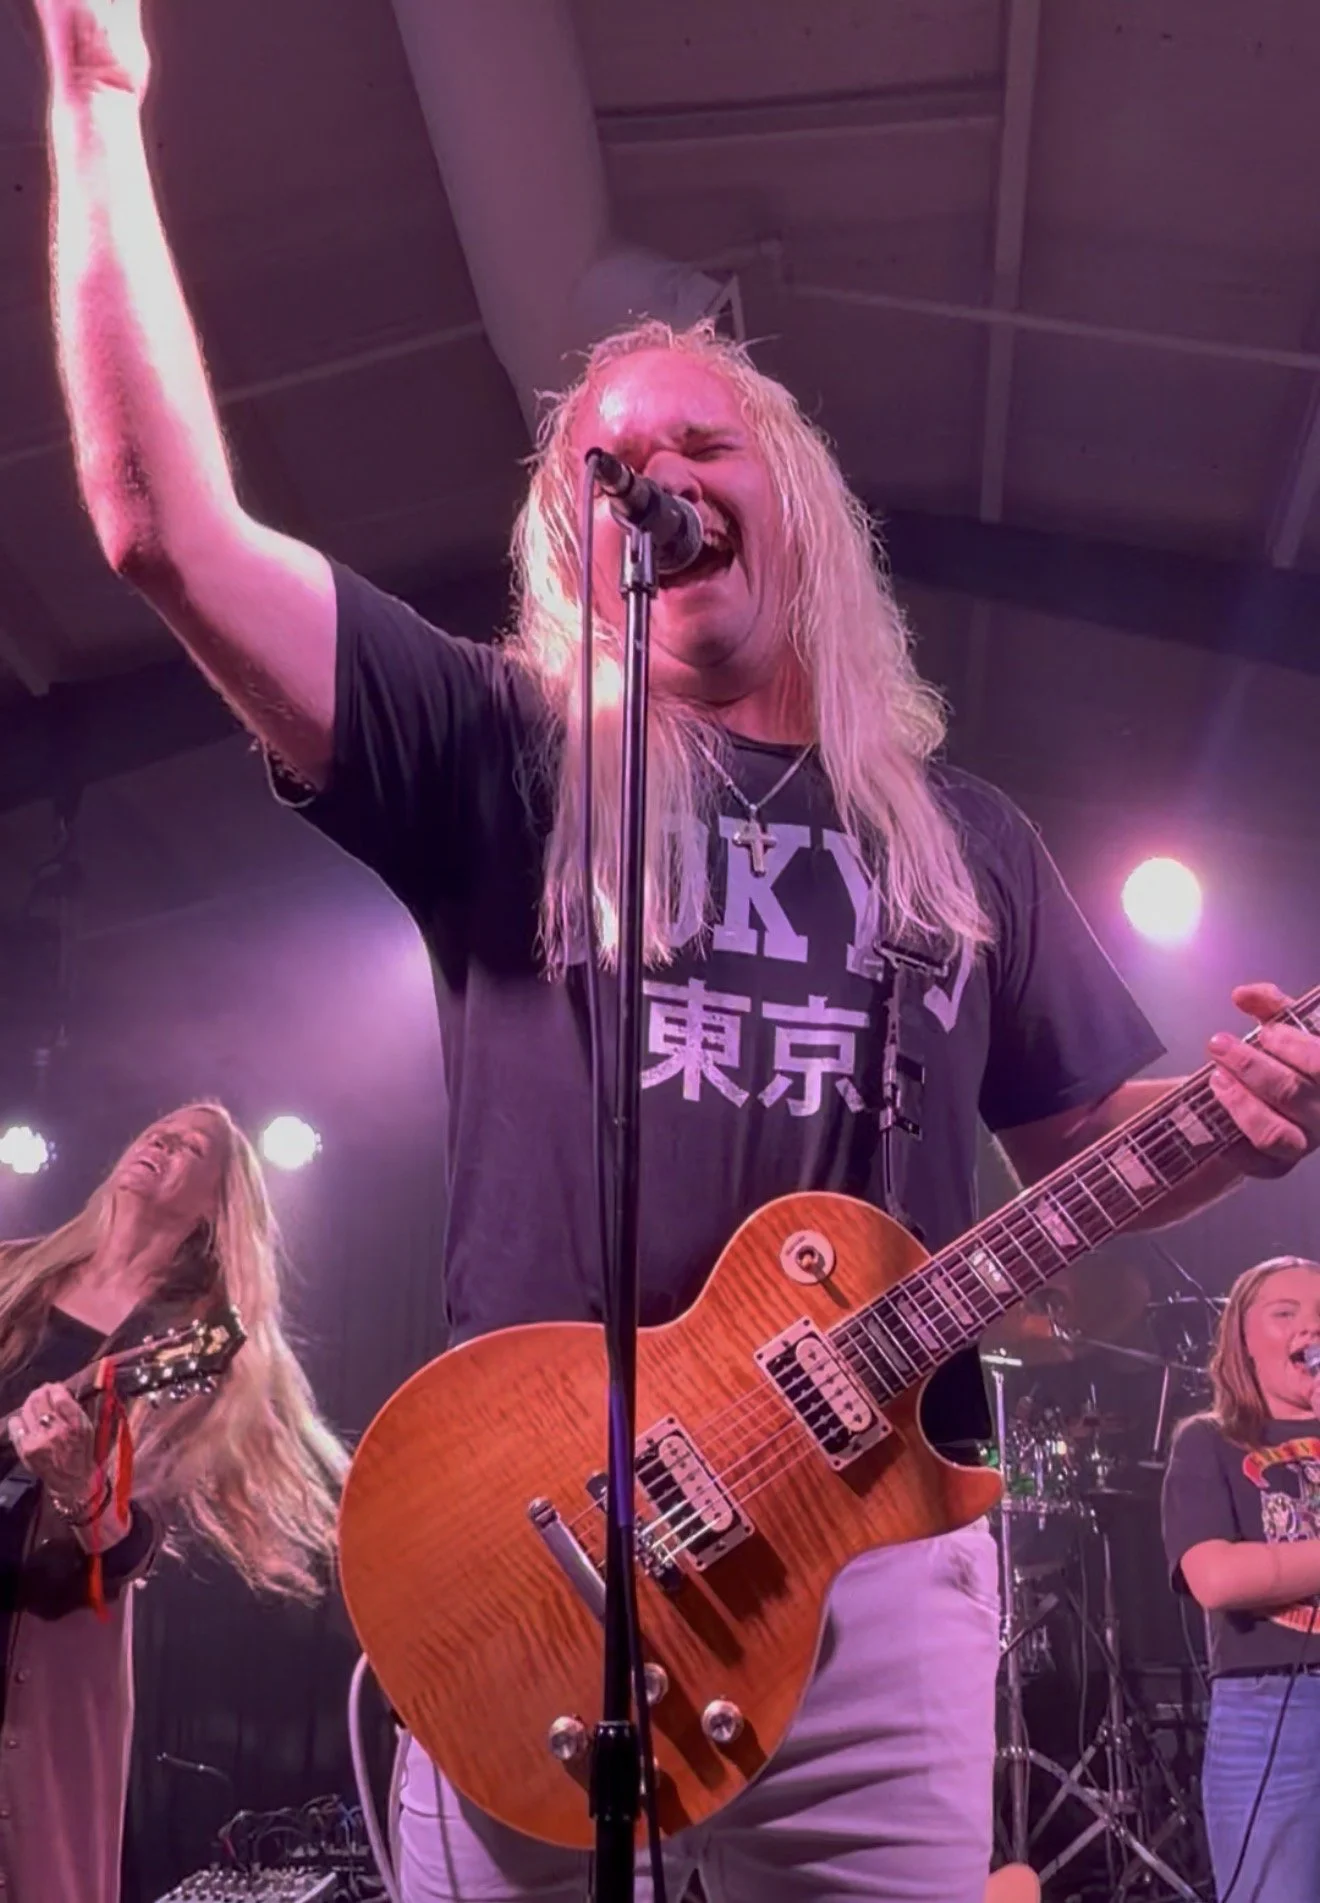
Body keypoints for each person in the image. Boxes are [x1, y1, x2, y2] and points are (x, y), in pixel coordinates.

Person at [30, 3, 1320, 1896]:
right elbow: (164, 528)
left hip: (878, 1555)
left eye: (699, 440)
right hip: (530, 1539)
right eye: (600, 461)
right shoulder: (504, 756)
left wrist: (1234, 1114)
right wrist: (97, 97)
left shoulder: (967, 847)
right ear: (574, 538)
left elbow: (1079, 1154)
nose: (646, 471)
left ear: (792, 498)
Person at [0, 1102, 347, 1903]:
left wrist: (78, 1481)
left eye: (193, 1145)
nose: (160, 1137)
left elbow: (131, 1544)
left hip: (41, 1649)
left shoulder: (180, 1344)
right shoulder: (15, 1272)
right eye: (156, 1126)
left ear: (215, 1208)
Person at [1161, 1256, 1320, 1903]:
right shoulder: (1209, 1440)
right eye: (1286, 1313)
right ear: (1244, 1340)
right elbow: (1217, 1576)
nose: (1311, 1329)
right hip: (1270, 1709)